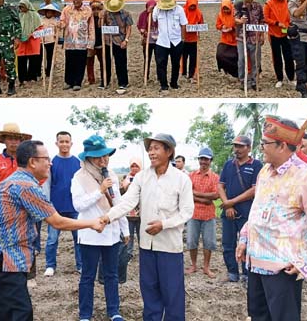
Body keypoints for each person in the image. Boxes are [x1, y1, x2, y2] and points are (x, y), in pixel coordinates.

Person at [0, 140, 105, 320]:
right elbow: (57, 222)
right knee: (20, 314)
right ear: (33, 161)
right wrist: (91, 223)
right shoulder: (26, 186)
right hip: (6, 261)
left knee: (6, 313)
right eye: (46, 159)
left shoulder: (14, 180)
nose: (50, 163)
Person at [236, 116, 307, 320]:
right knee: (258, 316)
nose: (261, 148)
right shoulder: (264, 172)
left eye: (265, 143)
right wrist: (244, 239)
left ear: (283, 146)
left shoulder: (305, 177)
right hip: (255, 262)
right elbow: (257, 210)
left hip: (284, 268)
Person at [101, 133, 194, 321]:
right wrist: (106, 218)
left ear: (169, 152)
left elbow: (186, 212)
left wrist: (164, 224)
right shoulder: (142, 177)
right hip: (147, 246)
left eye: (156, 148)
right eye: (150, 148)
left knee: (173, 294)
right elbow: (127, 202)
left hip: (169, 247)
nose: (151, 152)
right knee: (149, 291)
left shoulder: (181, 179)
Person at [70, 135, 129, 321]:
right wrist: (100, 191)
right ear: (88, 158)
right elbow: (78, 205)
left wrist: (125, 229)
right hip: (90, 234)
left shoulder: (111, 175)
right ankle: (85, 315)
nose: (103, 160)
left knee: (111, 274)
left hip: (111, 233)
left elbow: (118, 203)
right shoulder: (79, 177)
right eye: (98, 157)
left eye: (106, 156)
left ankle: (114, 311)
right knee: (87, 276)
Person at [218, 136, 262, 283]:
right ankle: (232, 272)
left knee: (247, 243)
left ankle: (246, 273)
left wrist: (231, 202)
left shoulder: (256, 165)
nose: (237, 149)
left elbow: (255, 189)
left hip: (247, 213)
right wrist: (228, 204)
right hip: (228, 212)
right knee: (227, 243)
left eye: (240, 146)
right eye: (235, 146)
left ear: (249, 148)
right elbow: (220, 186)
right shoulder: (228, 165)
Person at [44, 131, 82, 277]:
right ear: (57, 143)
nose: (64, 144)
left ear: (71, 144)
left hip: (74, 207)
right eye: (62, 141)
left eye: (67, 141)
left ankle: (81, 265)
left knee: (79, 238)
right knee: (52, 239)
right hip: (55, 208)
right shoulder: (52, 163)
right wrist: (47, 205)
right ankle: (50, 265)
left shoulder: (78, 163)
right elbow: (47, 184)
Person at [185, 148, 220, 278]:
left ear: (211, 161)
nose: (203, 161)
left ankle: (206, 267)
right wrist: (205, 198)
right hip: (193, 214)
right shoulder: (191, 176)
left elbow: (216, 195)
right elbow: (187, 193)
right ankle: (193, 265)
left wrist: (196, 195)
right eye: (201, 159)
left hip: (208, 215)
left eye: (206, 159)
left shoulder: (215, 177)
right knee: (191, 241)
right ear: (198, 160)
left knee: (208, 242)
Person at [0, 123, 31, 209]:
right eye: (10, 139)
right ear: (4, 140)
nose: (14, 142)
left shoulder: (28, 159)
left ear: (20, 141)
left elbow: (39, 178)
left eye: (16, 139)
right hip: (3, 203)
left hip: (26, 204)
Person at [152, 0, 187, 92]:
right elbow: (153, 20)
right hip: (162, 41)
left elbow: (183, 25)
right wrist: (149, 12)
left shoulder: (179, 9)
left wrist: (183, 39)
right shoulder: (157, 9)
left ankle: (174, 83)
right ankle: (164, 85)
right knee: (161, 63)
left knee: (176, 64)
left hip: (176, 41)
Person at [61, 0, 95, 91]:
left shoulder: (88, 10)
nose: (76, 1)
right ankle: (68, 82)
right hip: (69, 41)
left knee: (80, 62)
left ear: (82, 0)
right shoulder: (66, 9)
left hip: (82, 41)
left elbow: (91, 27)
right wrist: (60, 24)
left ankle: (77, 82)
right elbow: (63, 21)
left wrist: (91, 42)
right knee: (69, 61)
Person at [100, 0, 132, 92]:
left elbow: (129, 27)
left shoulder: (126, 14)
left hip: (120, 40)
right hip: (107, 41)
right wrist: (100, 18)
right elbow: (101, 25)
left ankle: (123, 82)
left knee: (121, 63)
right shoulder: (106, 13)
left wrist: (126, 40)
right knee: (106, 62)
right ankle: (105, 81)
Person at [234, 0, 265, 91]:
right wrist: (240, 21)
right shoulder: (238, 6)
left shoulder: (258, 6)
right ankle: (243, 80)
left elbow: (261, 20)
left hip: (254, 36)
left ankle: (254, 81)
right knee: (242, 59)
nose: (249, 1)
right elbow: (233, 19)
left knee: (256, 60)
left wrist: (261, 35)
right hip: (241, 37)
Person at [263, 0, 294, 87]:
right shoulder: (268, 4)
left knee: (288, 56)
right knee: (277, 57)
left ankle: (291, 78)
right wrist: (276, 23)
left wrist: (289, 26)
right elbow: (265, 18)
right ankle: (279, 79)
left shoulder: (288, 3)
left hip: (285, 33)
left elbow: (290, 17)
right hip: (273, 33)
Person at [15, 0, 43, 85]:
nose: (21, 9)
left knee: (33, 59)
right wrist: (19, 36)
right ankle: (22, 78)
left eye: (23, 7)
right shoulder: (19, 16)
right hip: (22, 41)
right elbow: (16, 27)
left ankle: (32, 76)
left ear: (27, 6)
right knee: (21, 59)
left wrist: (30, 35)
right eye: (20, 7)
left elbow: (40, 28)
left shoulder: (35, 16)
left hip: (32, 40)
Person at [181, 0, 203, 82]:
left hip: (194, 39)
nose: (192, 7)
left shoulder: (199, 13)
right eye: (191, 6)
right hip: (184, 39)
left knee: (193, 58)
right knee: (184, 57)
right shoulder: (183, 11)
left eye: (194, 6)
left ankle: (191, 74)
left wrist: (198, 29)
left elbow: (201, 24)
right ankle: (183, 73)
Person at [216, 0, 239, 78]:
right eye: (224, 9)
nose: (226, 11)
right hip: (225, 39)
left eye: (227, 9)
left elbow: (239, 25)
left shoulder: (236, 14)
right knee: (220, 55)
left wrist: (232, 28)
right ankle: (226, 69)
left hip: (236, 38)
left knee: (236, 56)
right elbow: (217, 25)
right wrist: (222, 27)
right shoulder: (220, 15)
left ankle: (237, 72)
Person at [38, 3, 62, 79]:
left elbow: (58, 31)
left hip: (51, 41)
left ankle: (49, 72)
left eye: (51, 12)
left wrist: (56, 34)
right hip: (42, 41)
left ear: (53, 13)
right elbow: (38, 30)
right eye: (48, 12)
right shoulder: (41, 20)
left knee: (50, 57)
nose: (49, 13)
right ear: (45, 12)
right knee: (41, 58)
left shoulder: (55, 21)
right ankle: (41, 72)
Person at [136, 0, 158, 82]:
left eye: (154, 7)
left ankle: (159, 76)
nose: (152, 9)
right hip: (147, 41)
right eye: (151, 7)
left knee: (158, 59)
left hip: (157, 41)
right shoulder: (143, 15)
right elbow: (140, 26)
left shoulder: (158, 14)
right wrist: (143, 31)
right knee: (147, 59)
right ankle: (146, 75)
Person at [86, 0, 104, 86]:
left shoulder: (104, 19)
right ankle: (91, 79)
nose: (96, 11)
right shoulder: (88, 19)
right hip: (90, 44)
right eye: (93, 9)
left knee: (103, 62)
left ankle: (104, 77)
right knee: (89, 63)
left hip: (101, 44)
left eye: (98, 9)